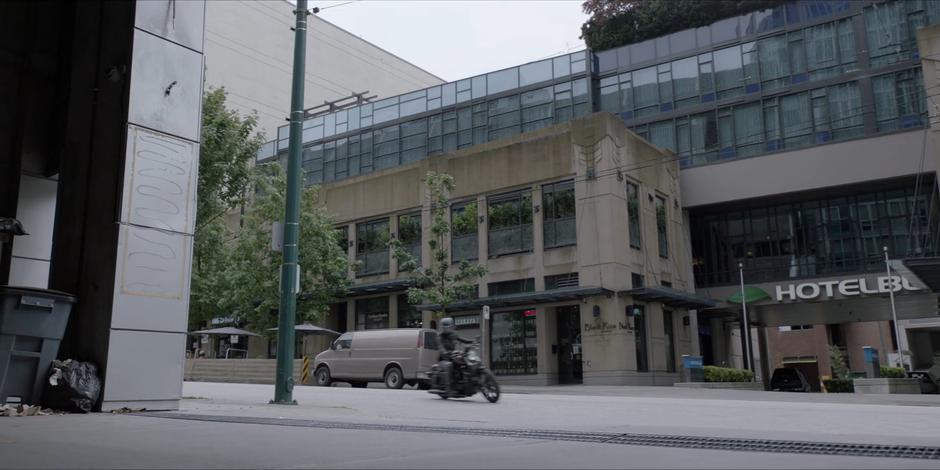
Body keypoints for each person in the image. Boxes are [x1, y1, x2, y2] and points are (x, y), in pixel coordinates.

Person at [438, 317, 474, 394]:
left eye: (449, 326)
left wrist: (471, 341)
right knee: (449, 365)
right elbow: (440, 346)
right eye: (445, 326)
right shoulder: (440, 337)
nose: (447, 328)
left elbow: (461, 339)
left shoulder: (453, 334)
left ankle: (467, 383)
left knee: (464, 363)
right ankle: (448, 388)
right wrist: (444, 352)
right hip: (444, 358)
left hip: (453, 355)